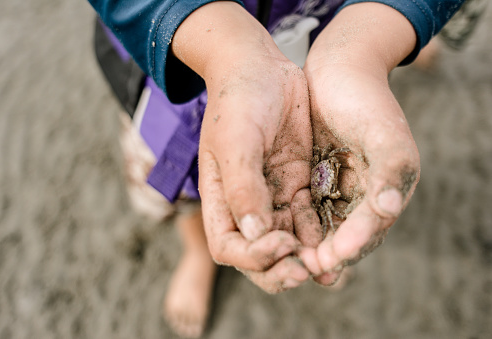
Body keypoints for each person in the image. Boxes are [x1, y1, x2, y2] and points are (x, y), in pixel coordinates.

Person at [89, 0, 465, 337]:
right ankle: (196, 249)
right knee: (189, 189)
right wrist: (223, 50)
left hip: (329, 39)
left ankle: (397, 33)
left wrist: (379, 28)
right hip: (169, 60)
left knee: (323, 162)